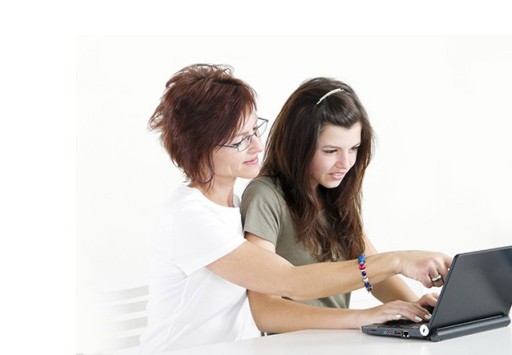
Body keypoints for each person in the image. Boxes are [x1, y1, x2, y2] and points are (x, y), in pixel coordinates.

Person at [139, 64, 452, 353]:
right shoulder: (190, 218)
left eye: (254, 131)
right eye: (239, 141)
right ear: (199, 148)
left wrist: (419, 310)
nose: (258, 147)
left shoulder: (231, 206)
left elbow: (363, 260)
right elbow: (288, 281)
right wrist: (395, 266)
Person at [241, 77, 445, 334]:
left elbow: (371, 268)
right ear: (298, 146)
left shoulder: (335, 192)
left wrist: (416, 308)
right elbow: (266, 312)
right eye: (330, 151)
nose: (345, 163)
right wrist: (363, 316)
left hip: (340, 343)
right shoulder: (265, 196)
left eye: (354, 148)